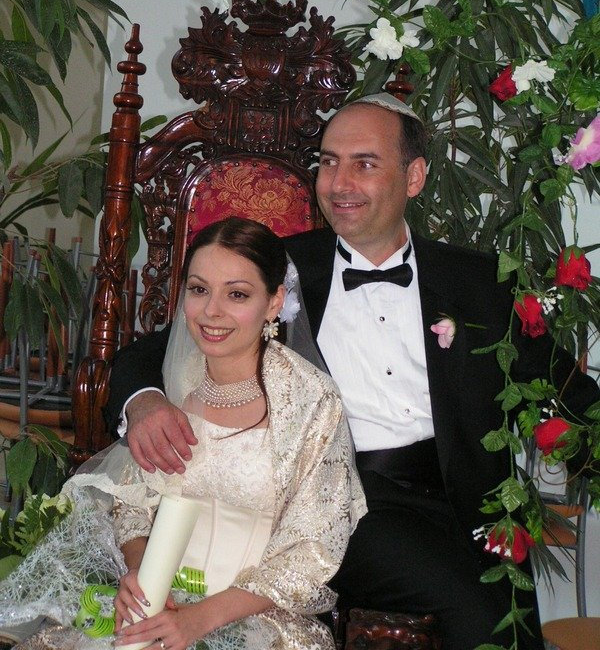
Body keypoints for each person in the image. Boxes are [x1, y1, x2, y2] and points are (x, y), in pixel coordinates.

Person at [106, 94, 600, 650]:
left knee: (514, 614)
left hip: (472, 502)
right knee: (477, 611)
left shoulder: (481, 282)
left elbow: (566, 393)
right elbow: (159, 348)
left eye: (364, 164)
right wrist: (144, 400)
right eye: (329, 162)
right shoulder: (279, 268)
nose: (339, 183)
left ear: (414, 177)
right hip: (343, 502)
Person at [0, 217, 366, 650]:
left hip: (255, 619)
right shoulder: (170, 382)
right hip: (159, 603)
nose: (211, 311)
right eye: (198, 289)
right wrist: (141, 577)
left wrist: (197, 620)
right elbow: (132, 507)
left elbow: (311, 550)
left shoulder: (312, 401)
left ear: (274, 302)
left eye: (237, 294)